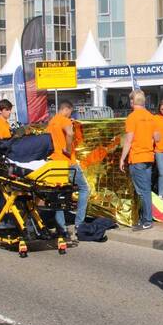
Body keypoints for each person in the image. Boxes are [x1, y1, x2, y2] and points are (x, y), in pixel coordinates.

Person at [48, 101, 90, 245]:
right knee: (85, 189)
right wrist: (67, 148)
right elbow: (70, 133)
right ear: (66, 109)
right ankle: (79, 223)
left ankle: (61, 227)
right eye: (70, 112)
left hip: (54, 162)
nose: (70, 115)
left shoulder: (52, 121)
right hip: (67, 163)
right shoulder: (65, 120)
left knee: (59, 194)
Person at [119, 90, 158, 230]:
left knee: (142, 191)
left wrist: (122, 158)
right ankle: (145, 218)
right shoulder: (151, 117)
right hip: (149, 157)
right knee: (146, 189)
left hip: (137, 157)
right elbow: (157, 137)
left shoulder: (132, 117)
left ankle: (146, 220)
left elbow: (128, 140)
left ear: (132, 102)